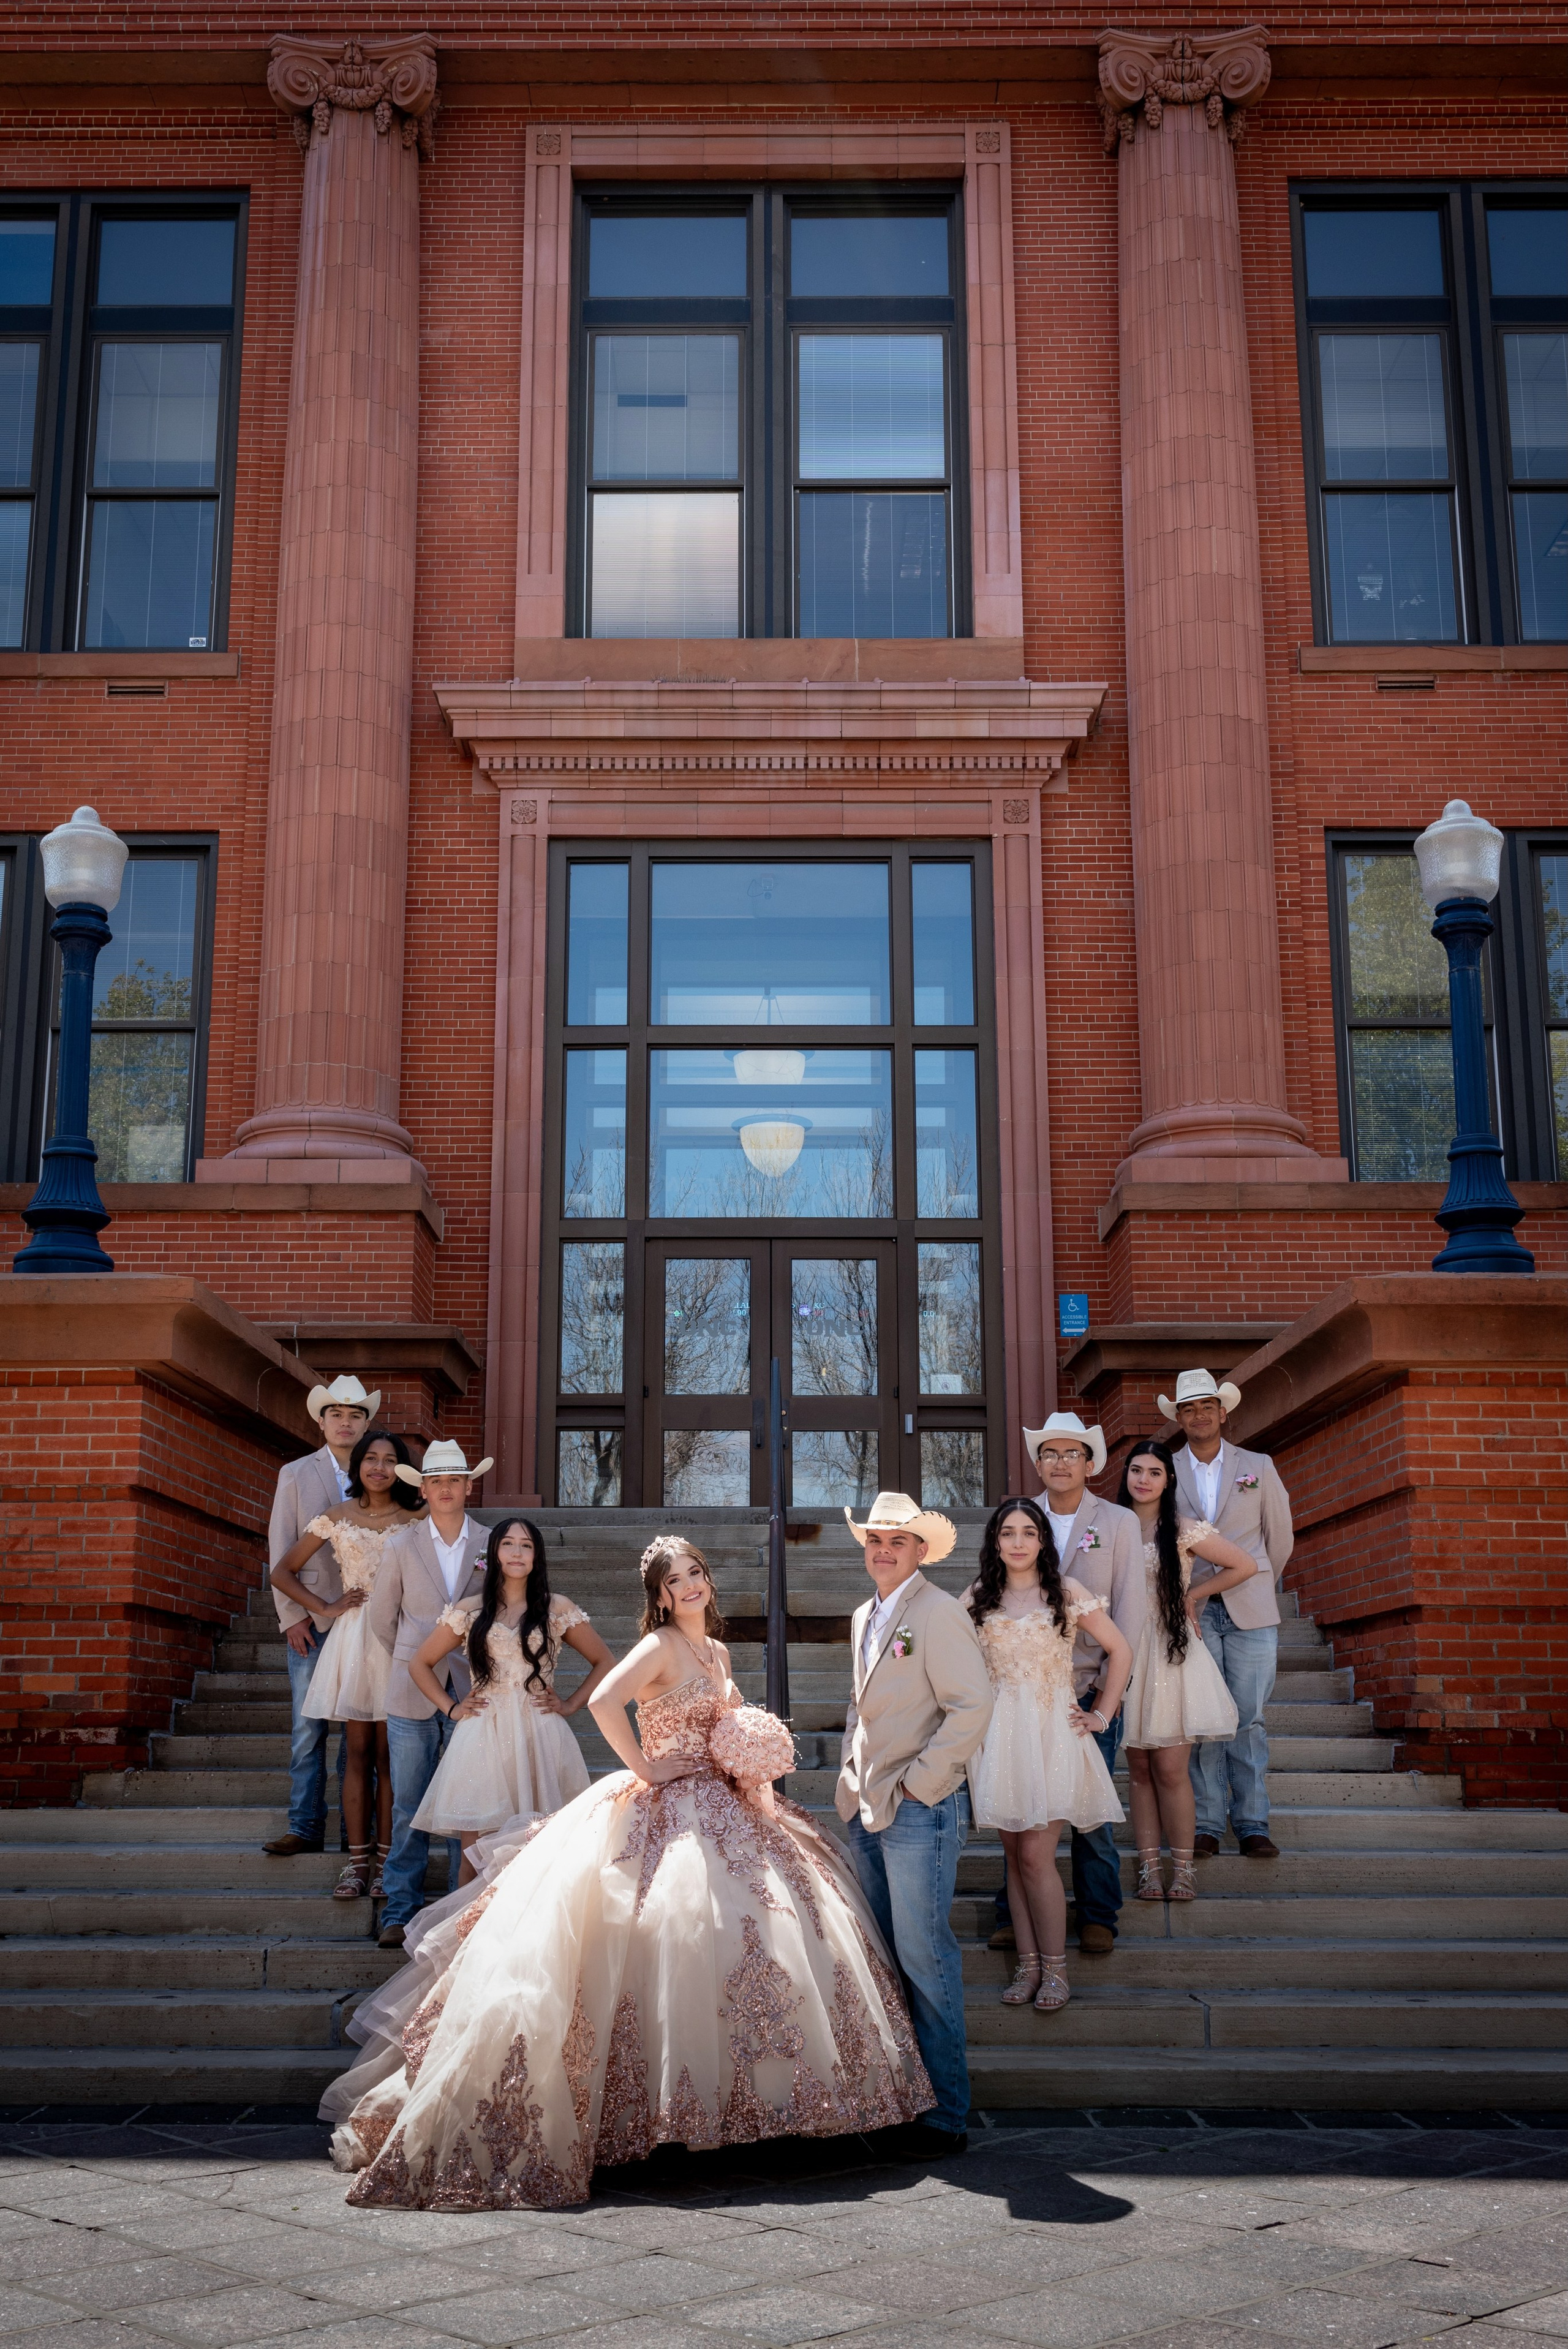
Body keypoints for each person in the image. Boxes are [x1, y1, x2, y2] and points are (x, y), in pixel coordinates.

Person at [324, 1533, 937, 2208]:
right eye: (676, 1580)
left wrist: (747, 1757)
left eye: (697, 1572)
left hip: (727, 1803)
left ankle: (747, 2110)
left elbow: (721, 1721)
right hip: (671, 1806)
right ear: (661, 1595)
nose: (691, 1586)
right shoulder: (661, 1646)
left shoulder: (718, 1650)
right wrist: (646, 1768)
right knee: (677, 1927)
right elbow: (603, 1700)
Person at [837, 1492, 993, 2159]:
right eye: (874, 1539)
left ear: (919, 1551)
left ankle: (945, 2114)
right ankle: (903, 2099)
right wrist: (850, 1776)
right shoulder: (864, 1615)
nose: (882, 1549)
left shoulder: (938, 1612)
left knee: (926, 1958)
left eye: (896, 1541)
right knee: (886, 1960)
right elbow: (862, 1707)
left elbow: (972, 1705)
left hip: (919, 1810)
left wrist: (919, 1787)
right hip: (866, 1808)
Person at [965, 1498, 1131, 2015]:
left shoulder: (1066, 1592)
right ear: (996, 1541)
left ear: (1042, 1541)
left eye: (1028, 1532)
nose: (1018, 1541)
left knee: (1038, 1856)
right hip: (999, 1736)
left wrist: (1102, 1713)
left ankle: (1056, 1968)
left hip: (1052, 1733)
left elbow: (1121, 1650)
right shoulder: (976, 1597)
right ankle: (1029, 1964)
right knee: (1014, 1858)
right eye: (1008, 1532)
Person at [405, 1517, 613, 1882]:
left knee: (542, 1848)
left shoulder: (557, 1608)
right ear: (494, 1553)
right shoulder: (469, 1610)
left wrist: (570, 1704)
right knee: (475, 1854)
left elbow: (605, 1662)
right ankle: (465, 1936)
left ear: (537, 1557)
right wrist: (451, 1708)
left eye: (527, 1545)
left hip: (540, 1734)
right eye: (508, 1543)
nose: (517, 1551)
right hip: (483, 1734)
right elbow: (420, 1663)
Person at [268, 1428, 424, 1899]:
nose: (378, 1466)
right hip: (354, 1639)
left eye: (389, 1459)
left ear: (400, 1467)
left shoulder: (416, 1518)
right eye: (370, 1458)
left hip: (397, 1638)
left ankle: (387, 1865)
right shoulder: (335, 1516)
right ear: (357, 1466)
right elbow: (281, 1570)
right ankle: (357, 1866)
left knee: (390, 1757)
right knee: (356, 1753)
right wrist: (327, 1606)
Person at [1160, 1368, 1295, 1861]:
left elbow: (1278, 1538)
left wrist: (1256, 1581)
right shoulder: (1165, 1469)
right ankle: (1208, 1825)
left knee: (1249, 1719)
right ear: (1179, 1417)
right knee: (1203, 1720)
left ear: (1223, 1412)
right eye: (1189, 1408)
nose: (1199, 1415)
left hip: (1252, 1608)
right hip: (1192, 1610)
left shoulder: (1258, 1464)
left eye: (1207, 1406)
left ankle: (1253, 1822)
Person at [1022, 1413, 1144, 1957]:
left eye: (1073, 1453)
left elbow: (1131, 1613)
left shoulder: (1117, 1521)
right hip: (1029, 1691)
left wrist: (1108, 1702)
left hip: (1092, 1686)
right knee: (1025, 1803)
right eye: (1050, 1453)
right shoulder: (1022, 1518)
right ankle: (1016, 1912)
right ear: (1039, 1462)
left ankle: (1098, 1913)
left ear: (1090, 1463)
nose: (1061, 1462)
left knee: (1090, 1806)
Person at [1116, 1439, 1259, 1900]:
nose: (1143, 1479)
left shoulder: (1181, 1528)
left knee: (1172, 1769)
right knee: (1137, 1768)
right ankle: (1148, 1870)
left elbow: (1244, 1563)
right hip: (1125, 1654)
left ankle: (1182, 1870)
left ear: (1168, 1480)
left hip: (1170, 1651)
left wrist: (1193, 1595)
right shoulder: (1110, 1528)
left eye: (1154, 1472)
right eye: (1136, 1470)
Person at [368, 1439, 490, 1949]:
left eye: (454, 1480)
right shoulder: (401, 1544)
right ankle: (399, 1910)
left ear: (468, 1485)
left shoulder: (490, 1542)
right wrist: (412, 1660)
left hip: (474, 1691)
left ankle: (451, 1914)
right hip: (411, 1690)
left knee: (464, 1808)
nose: (445, 1489)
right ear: (423, 1487)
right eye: (435, 1481)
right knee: (409, 1804)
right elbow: (381, 1619)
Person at [263, 1374, 379, 1860]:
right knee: (308, 1727)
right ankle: (304, 1824)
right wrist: (293, 1615)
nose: (346, 1422)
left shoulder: (379, 1471)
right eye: (337, 1414)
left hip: (365, 1622)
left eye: (355, 1415)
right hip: (313, 1617)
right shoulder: (295, 1472)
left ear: (366, 1423)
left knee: (358, 1727)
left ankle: (355, 1833)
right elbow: (280, 1544)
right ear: (321, 1421)